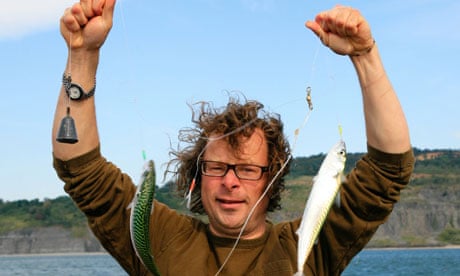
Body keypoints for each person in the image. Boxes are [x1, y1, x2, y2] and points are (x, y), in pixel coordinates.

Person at [52, 1, 414, 275]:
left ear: (271, 181)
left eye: (247, 169)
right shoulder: (156, 235)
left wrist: (366, 56)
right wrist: (83, 56)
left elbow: (388, 171)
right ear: (197, 176)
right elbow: (81, 171)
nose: (229, 182)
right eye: (217, 166)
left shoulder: (308, 247)